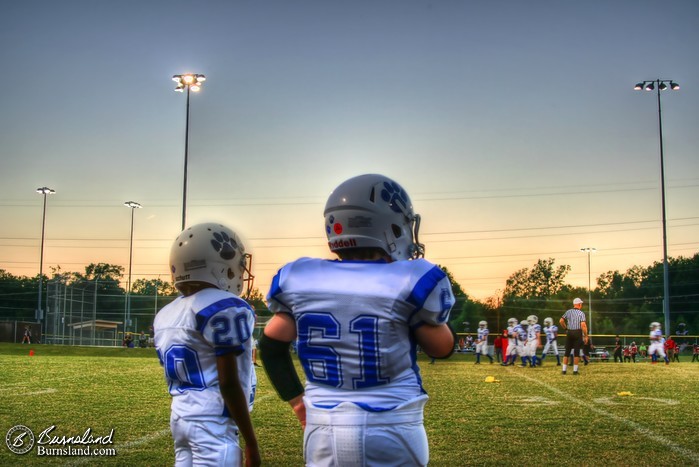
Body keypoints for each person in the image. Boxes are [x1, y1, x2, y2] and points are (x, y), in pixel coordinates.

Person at [260, 174, 456, 467]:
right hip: (392, 423)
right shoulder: (411, 278)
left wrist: (297, 401)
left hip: (322, 428)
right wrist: (413, 319)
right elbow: (440, 348)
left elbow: (270, 347)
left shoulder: (299, 277)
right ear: (391, 226)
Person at [153, 223, 260, 466]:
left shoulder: (166, 314)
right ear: (220, 265)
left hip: (181, 418)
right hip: (213, 423)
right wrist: (251, 442)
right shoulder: (226, 306)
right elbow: (228, 382)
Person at [559, 297, 588, 375]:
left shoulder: (568, 312)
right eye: (581, 304)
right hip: (577, 332)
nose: (581, 305)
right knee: (576, 352)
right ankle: (575, 371)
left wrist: (566, 328)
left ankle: (564, 370)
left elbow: (561, 320)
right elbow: (583, 325)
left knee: (567, 352)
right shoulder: (581, 313)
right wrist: (586, 335)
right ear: (579, 304)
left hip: (569, 332)